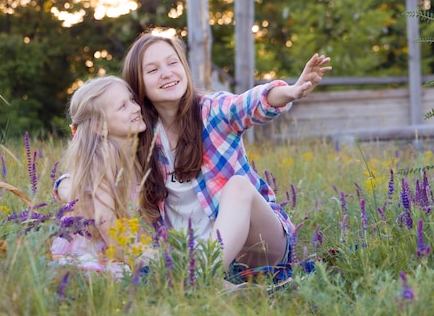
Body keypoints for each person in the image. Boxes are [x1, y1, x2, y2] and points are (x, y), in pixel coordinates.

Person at [122, 32, 331, 286]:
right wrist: (65, 185)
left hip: (258, 245)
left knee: (239, 186)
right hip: (189, 252)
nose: (167, 73)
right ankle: (218, 284)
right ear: (138, 83)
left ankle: (197, 281)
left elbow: (249, 103)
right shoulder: (139, 137)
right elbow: (96, 165)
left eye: (173, 62)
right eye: (153, 69)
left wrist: (290, 91)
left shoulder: (211, 110)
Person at [51, 76, 149, 277]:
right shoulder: (104, 159)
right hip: (94, 252)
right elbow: (106, 222)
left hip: (119, 247)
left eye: (132, 100)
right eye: (123, 106)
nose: (135, 108)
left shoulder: (135, 156)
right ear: (99, 126)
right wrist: (137, 258)